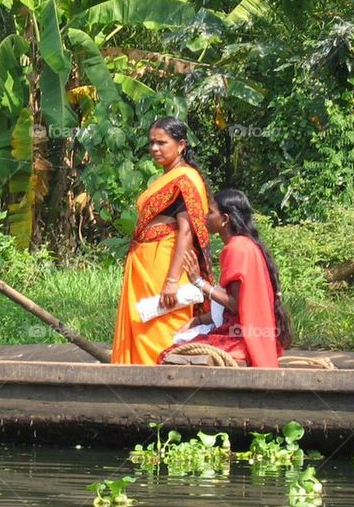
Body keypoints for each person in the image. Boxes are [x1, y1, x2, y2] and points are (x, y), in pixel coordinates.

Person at [111, 117, 215, 365]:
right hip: (145, 263)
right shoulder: (166, 177)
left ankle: (164, 382)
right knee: (143, 323)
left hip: (165, 263)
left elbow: (186, 231)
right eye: (152, 143)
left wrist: (171, 281)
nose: (154, 148)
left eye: (161, 142)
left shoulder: (185, 179)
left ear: (180, 145)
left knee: (161, 324)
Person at [167, 188, 291, 368]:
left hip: (242, 339)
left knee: (169, 353)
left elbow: (235, 304)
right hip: (252, 335)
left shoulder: (236, 248)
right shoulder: (245, 245)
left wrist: (199, 282)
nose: (205, 216)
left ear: (225, 219)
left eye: (210, 212)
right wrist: (197, 320)